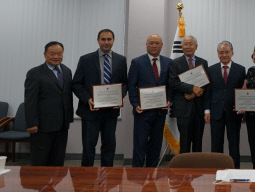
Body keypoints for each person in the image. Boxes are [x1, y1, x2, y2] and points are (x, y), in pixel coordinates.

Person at [72, 29, 127, 167]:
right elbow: (76, 84)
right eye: (103, 39)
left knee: (109, 147)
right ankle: (86, 178)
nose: (106, 42)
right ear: (98, 40)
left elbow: (124, 83)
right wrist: (88, 99)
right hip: (90, 111)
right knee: (89, 147)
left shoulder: (121, 60)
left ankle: (106, 177)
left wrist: (120, 96)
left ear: (113, 40)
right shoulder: (85, 59)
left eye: (109, 39)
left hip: (111, 112)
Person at [24, 41, 73, 166]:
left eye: (59, 53)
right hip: (42, 126)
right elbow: (30, 100)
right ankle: (38, 186)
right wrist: (32, 123)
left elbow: (67, 96)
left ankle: (54, 185)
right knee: (40, 161)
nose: (56, 56)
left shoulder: (67, 71)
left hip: (62, 125)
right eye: (52, 54)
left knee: (58, 160)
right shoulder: (35, 73)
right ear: (45, 55)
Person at [128, 34, 173, 167]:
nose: (154, 45)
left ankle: (152, 172)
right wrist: (135, 104)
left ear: (162, 45)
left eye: (157, 43)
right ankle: (137, 174)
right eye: (151, 43)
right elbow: (131, 86)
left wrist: (169, 100)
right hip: (142, 112)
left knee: (156, 144)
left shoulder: (168, 62)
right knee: (140, 144)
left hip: (160, 112)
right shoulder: (137, 62)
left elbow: (171, 85)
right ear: (146, 44)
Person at [204, 41, 246, 168]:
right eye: (221, 52)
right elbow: (208, 92)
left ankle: (235, 170)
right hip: (216, 112)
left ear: (232, 53)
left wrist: (243, 108)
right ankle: (216, 170)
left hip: (233, 112)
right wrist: (207, 111)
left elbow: (243, 92)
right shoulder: (210, 70)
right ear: (218, 54)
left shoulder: (240, 69)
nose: (224, 55)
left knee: (234, 144)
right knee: (216, 144)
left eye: (227, 52)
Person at [168, 35, 208, 153]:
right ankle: (183, 170)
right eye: (185, 44)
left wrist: (194, 94)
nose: (188, 46)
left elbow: (207, 84)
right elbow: (172, 82)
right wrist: (192, 88)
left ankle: (196, 170)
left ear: (196, 46)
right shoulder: (175, 63)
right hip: (183, 109)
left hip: (198, 109)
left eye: (191, 44)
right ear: (181, 46)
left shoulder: (203, 62)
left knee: (198, 142)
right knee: (184, 143)